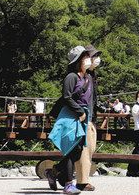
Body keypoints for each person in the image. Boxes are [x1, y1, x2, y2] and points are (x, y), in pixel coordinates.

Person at [46, 45, 92, 194]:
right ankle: (68, 184)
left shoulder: (88, 77)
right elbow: (67, 97)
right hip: (71, 115)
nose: (88, 60)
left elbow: (89, 100)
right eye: (85, 57)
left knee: (77, 151)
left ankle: (53, 172)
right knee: (71, 149)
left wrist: (87, 116)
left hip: (83, 116)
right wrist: (79, 112)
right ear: (78, 60)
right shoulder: (71, 77)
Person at [74, 45, 101, 191]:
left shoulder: (92, 76)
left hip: (91, 117)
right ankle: (82, 182)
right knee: (83, 149)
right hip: (82, 118)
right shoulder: (79, 76)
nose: (96, 60)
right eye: (93, 56)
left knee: (89, 149)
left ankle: (56, 171)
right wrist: (79, 113)